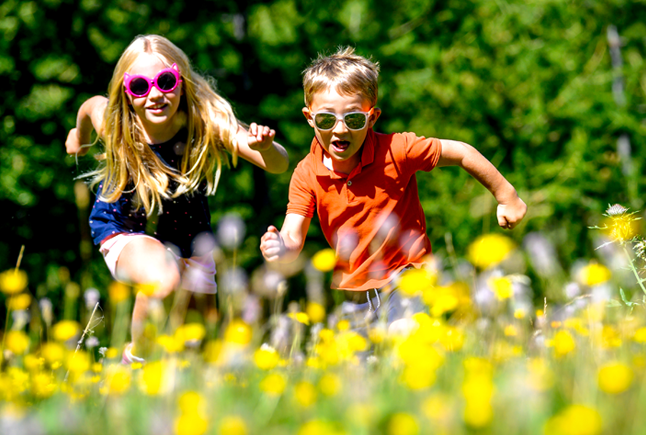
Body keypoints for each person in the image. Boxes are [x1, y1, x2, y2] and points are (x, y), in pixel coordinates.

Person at [259, 47, 526, 324]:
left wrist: (507, 196)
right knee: (360, 365)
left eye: (353, 119)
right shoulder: (306, 173)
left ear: (372, 118)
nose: (339, 129)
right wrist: (280, 247)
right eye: (326, 119)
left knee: (406, 347)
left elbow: (462, 153)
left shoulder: (397, 150)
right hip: (353, 291)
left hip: (408, 276)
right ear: (309, 117)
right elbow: (293, 236)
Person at [66, 34, 288, 364]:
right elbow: (89, 106)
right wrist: (79, 136)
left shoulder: (204, 122)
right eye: (140, 86)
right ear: (127, 94)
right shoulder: (117, 127)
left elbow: (280, 164)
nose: (155, 94)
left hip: (190, 241)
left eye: (166, 81)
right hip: (123, 231)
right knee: (163, 277)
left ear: (180, 81)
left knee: (200, 348)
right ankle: (135, 363)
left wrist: (265, 148)